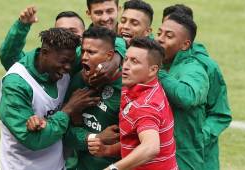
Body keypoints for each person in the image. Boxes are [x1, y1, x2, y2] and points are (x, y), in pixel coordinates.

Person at [0, 27, 100, 170]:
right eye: (63, 62)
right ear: (45, 53)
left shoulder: (62, 65)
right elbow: (34, 140)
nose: (68, 67)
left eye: (71, 62)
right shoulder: (16, 85)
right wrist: (68, 110)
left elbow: (106, 45)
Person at [27, 26, 123, 170]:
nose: (84, 57)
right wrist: (94, 138)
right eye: (83, 51)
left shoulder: (126, 89)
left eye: (91, 52)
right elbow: (66, 132)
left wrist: (109, 147)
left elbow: (135, 145)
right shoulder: (78, 80)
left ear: (110, 56)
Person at [87, 38, 178, 170]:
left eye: (134, 62)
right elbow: (135, 141)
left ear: (152, 70)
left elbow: (151, 147)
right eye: (126, 59)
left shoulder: (146, 106)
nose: (126, 66)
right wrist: (108, 150)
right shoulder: (138, 87)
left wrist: (113, 168)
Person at [162, 4, 232, 170]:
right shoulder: (158, 58)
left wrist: (201, 136)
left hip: (199, 156)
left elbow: (220, 113)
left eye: (170, 34)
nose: (162, 38)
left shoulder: (206, 67)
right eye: (162, 30)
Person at [155, 13, 209, 170]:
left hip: (183, 160)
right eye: (159, 33)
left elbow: (186, 96)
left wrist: (156, 71)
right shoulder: (163, 63)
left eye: (169, 36)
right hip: (158, 156)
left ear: (185, 45)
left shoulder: (194, 69)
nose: (160, 39)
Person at [0, 6, 85, 71]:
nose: (68, 35)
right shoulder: (42, 62)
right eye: (61, 31)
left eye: (73, 31)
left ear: (85, 34)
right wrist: (21, 27)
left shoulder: (88, 57)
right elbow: (10, 57)